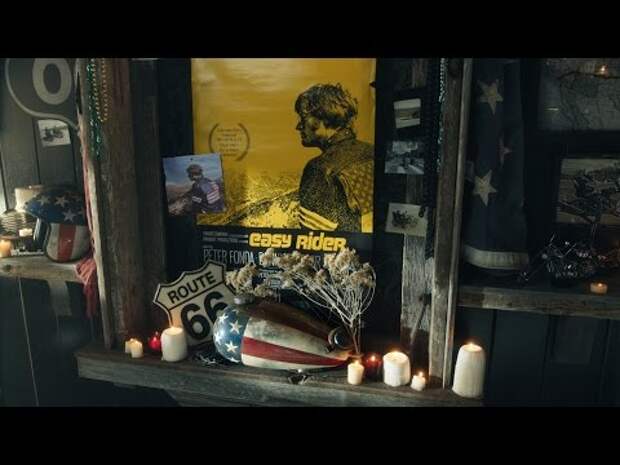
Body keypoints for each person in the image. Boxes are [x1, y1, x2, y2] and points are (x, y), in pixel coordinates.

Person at [294, 83, 374, 233]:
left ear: (325, 118)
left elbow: (312, 239)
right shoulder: (372, 151)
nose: (298, 126)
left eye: (304, 118)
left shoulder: (319, 169)